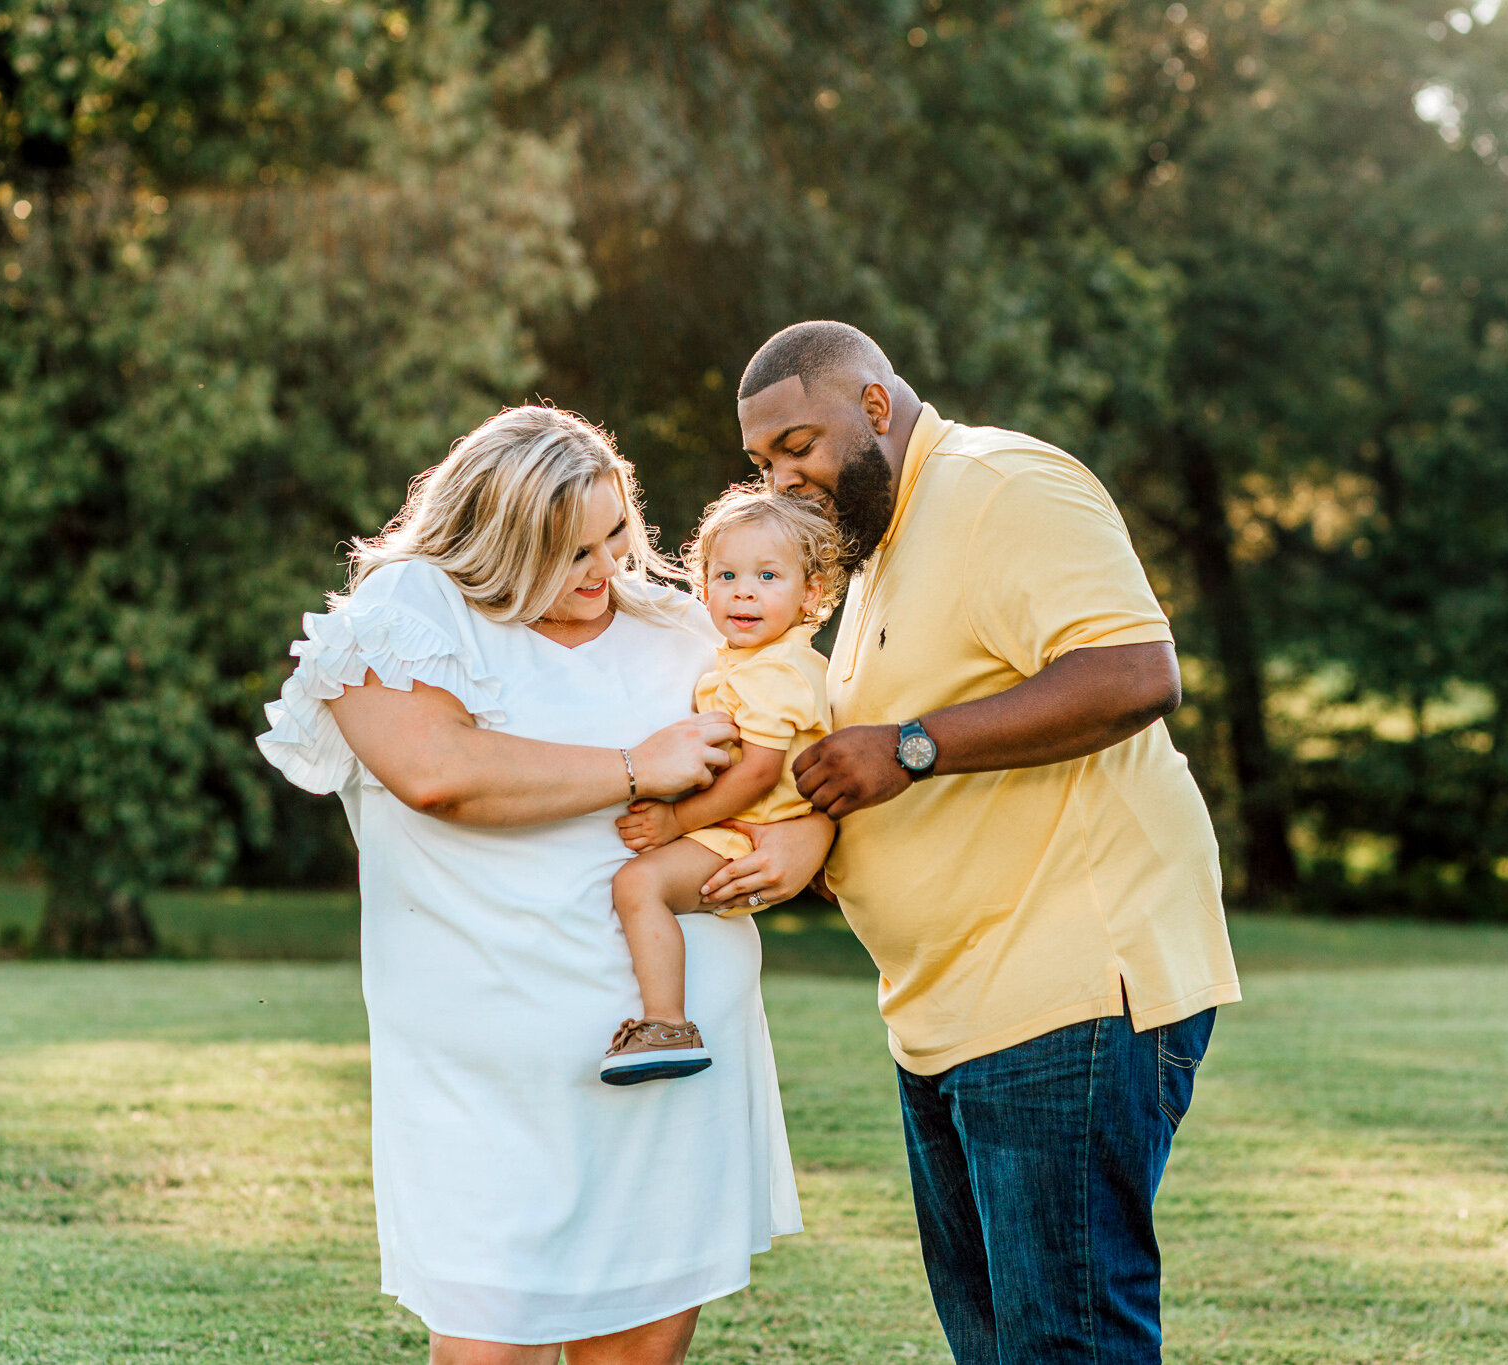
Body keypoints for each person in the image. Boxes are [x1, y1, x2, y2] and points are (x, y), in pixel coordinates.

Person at [256, 406, 829, 1364]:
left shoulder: (682, 623)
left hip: (673, 1056)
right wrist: (638, 766)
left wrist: (810, 831)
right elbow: (439, 771)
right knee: (489, 1345)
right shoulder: (405, 613)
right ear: (495, 540)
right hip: (491, 1075)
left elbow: (798, 739)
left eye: (615, 536)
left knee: (640, 1348)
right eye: (569, 553)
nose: (604, 572)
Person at [732, 321, 1242, 1365]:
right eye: (761, 464)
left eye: (798, 445)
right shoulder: (876, 545)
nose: (783, 482)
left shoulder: (1001, 485)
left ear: (874, 407)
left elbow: (1133, 674)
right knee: (1000, 1348)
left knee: (1061, 1347)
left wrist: (908, 748)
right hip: (946, 1012)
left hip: (1063, 993)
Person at [602, 486, 843, 1084]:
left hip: (747, 832)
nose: (744, 591)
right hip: (741, 824)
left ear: (810, 593)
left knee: (639, 885)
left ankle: (665, 1024)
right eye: (727, 574)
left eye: (768, 575)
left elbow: (760, 770)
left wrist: (676, 823)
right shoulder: (747, 660)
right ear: (703, 585)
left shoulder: (777, 671)